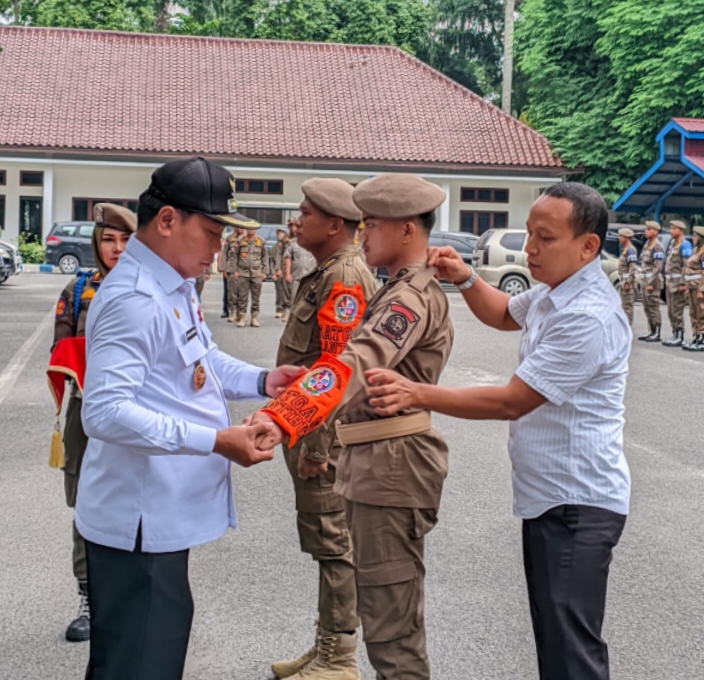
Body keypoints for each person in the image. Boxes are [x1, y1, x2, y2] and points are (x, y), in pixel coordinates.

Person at [365, 182, 631, 680]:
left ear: (588, 246)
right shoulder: (556, 290)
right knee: (556, 640)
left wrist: (416, 393)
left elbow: (512, 401)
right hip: (552, 497)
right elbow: (504, 313)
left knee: (571, 650)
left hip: (577, 502)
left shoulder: (587, 316)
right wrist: (466, 277)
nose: (530, 248)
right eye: (528, 234)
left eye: (545, 238)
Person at [74, 157, 303, 680]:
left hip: (157, 518)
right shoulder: (135, 298)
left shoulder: (170, 284)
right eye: (212, 231)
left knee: (143, 655)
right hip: (138, 521)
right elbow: (105, 412)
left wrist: (264, 380)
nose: (218, 247)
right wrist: (215, 440)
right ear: (167, 220)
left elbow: (202, 360)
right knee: (140, 662)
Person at [252, 173, 453, 680]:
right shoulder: (399, 288)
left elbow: (354, 362)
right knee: (382, 612)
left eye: (373, 225)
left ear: (407, 230)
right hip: (378, 460)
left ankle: (336, 657)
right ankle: (332, 649)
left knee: (392, 632)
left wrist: (286, 416)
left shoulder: (408, 299)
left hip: (392, 466)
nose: (362, 235)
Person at [270, 178, 377, 680]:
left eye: (306, 213)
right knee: (323, 540)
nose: (297, 221)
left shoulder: (345, 276)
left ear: (334, 224)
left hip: (325, 437)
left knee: (334, 543)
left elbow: (338, 368)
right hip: (308, 428)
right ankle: (326, 643)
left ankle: (340, 656)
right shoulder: (327, 270)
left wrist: (316, 443)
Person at [47, 203, 136, 643]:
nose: (116, 249)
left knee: (136, 500)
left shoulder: (152, 290)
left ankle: (131, 596)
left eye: (125, 240)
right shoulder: (79, 287)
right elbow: (60, 350)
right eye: (108, 240)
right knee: (86, 503)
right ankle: (90, 598)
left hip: (137, 415)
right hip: (86, 413)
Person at [662, 219, 691, 347]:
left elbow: (686, 265)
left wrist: (683, 283)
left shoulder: (685, 244)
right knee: (670, 310)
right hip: (670, 281)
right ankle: (674, 334)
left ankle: (680, 336)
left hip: (678, 282)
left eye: (674, 229)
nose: (671, 231)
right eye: (670, 228)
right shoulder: (673, 244)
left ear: (681, 230)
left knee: (677, 310)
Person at [234, 225, 269, 327]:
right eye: (249, 228)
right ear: (246, 229)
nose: (251, 230)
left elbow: (265, 257)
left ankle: (254, 318)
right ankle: (242, 317)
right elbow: (234, 256)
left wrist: (265, 271)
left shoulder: (261, 241)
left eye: (253, 228)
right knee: (242, 297)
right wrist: (235, 271)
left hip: (256, 273)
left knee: (256, 297)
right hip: (243, 273)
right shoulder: (240, 241)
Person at [637, 220, 664, 342]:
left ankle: (657, 333)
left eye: (649, 229)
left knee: (653, 306)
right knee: (647, 307)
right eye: (646, 229)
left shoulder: (657, 247)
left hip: (652, 281)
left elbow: (658, 267)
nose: (646, 231)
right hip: (644, 279)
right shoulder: (647, 244)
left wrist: (651, 282)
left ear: (655, 232)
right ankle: (651, 330)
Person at [284, 216, 317, 305]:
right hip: (296, 276)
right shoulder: (293, 243)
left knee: (309, 301)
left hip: (310, 276)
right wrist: (287, 274)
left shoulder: (314, 242)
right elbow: (288, 258)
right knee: (294, 299)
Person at [682, 226, 704, 351]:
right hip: (691, 286)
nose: (693, 238)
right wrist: (686, 285)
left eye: (695, 236)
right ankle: (696, 336)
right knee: (693, 313)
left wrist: (701, 289)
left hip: (699, 286)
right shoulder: (696, 250)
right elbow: (688, 269)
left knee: (701, 313)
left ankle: (702, 339)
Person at [617, 228, 637, 326]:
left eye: (621, 236)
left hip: (627, 282)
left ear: (626, 238)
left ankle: (628, 327)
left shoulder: (630, 250)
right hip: (623, 281)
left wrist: (628, 282)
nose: (619, 238)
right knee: (623, 306)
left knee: (627, 307)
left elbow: (632, 267)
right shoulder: (625, 250)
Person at [270, 227, 290, 318]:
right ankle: (279, 309)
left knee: (287, 292)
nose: (279, 235)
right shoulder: (274, 248)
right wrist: (273, 273)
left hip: (286, 271)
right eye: (278, 233)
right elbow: (272, 261)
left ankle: (287, 309)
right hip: (278, 272)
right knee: (279, 291)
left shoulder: (289, 245)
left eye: (281, 233)